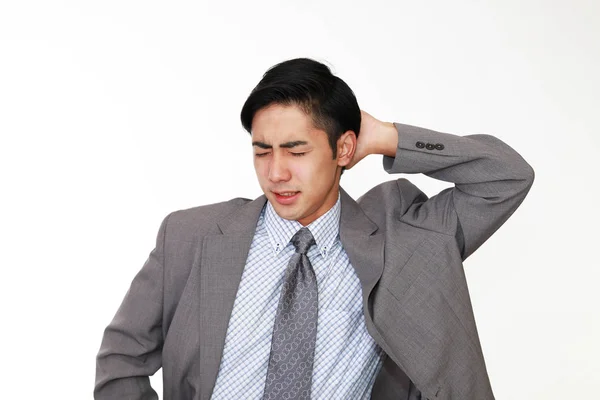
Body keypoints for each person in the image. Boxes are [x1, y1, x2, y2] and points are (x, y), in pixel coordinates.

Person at [94, 58, 534, 400]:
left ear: (343, 147)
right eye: (262, 151)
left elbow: (506, 176)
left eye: (295, 150)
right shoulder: (190, 236)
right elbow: (121, 360)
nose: (276, 173)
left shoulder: (404, 239)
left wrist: (385, 136)